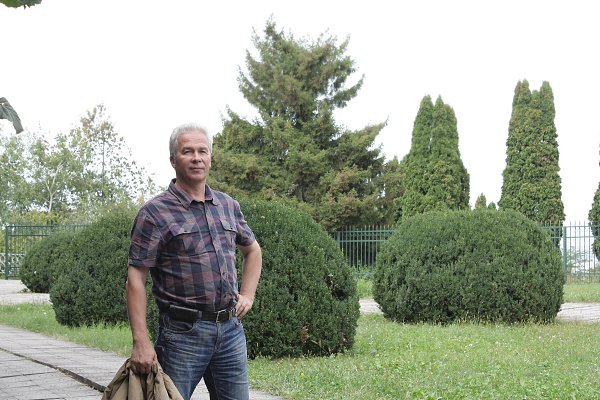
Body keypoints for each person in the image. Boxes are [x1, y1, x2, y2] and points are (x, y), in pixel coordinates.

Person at [126, 123, 262, 400]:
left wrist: (247, 294)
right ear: (173, 160)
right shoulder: (155, 213)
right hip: (182, 335)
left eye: (203, 151)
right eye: (187, 151)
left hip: (230, 331)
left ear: (211, 157)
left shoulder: (227, 205)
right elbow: (135, 279)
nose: (197, 158)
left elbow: (253, 250)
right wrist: (141, 341)